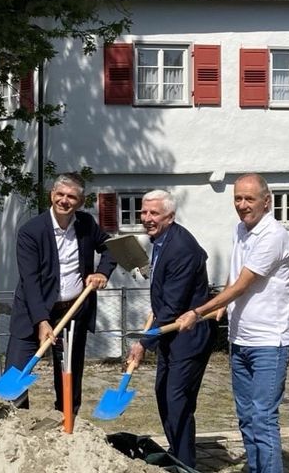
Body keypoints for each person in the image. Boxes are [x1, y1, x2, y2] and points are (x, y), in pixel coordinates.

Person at [175, 173, 289, 473]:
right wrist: (223, 307)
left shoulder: (273, 235)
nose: (242, 205)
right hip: (240, 339)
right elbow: (235, 273)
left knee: (263, 417)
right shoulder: (240, 230)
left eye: (249, 199)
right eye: (237, 198)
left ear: (266, 202)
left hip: (270, 341)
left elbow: (243, 283)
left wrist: (199, 311)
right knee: (246, 416)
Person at [5, 173, 114, 413]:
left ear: (81, 201)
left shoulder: (86, 225)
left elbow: (111, 248)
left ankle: (66, 424)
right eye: (60, 194)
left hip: (71, 314)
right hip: (32, 313)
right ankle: (15, 425)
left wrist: (102, 273)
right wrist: (41, 321)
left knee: (68, 375)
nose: (64, 200)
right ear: (52, 195)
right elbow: (30, 281)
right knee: (16, 373)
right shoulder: (31, 232)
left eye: (71, 196)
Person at [126, 189, 212, 469]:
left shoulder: (181, 248)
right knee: (163, 394)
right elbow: (166, 296)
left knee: (178, 402)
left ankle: (185, 464)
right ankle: (176, 453)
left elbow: (173, 306)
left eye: (155, 214)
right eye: (145, 212)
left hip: (189, 336)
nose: (148, 218)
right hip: (169, 333)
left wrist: (142, 344)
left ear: (170, 216)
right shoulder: (161, 240)